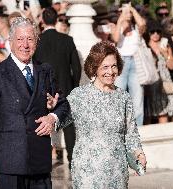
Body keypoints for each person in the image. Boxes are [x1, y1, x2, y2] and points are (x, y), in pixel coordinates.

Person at [0, 17, 70, 189]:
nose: (25, 44)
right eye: (19, 39)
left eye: (30, 39)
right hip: (8, 165)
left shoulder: (46, 71)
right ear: (10, 42)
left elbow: (63, 105)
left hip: (39, 163)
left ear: (36, 41)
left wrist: (53, 117)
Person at [61, 41, 146, 188]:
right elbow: (60, 121)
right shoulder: (79, 95)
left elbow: (131, 134)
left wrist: (139, 154)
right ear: (94, 68)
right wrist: (51, 108)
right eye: (105, 67)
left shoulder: (123, 97)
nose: (111, 71)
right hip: (87, 172)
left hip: (117, 171)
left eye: (114, 66)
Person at [33, 7, 81, 169]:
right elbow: (77, 67)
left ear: (42, 21)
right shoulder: (67, 40)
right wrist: (73, 86)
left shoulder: (36, 41)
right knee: (68, 125)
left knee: (43, 125)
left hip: (43, 90)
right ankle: (72, 160)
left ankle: (43, 161)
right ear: (56, 20)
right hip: (65, 89)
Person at [111, 1, 146, 126]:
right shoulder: (116, 27)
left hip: (136, 62)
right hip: (121, 63)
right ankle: (121, 128)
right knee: (119, 97)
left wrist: (132, 9)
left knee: (137, 98)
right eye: (123, 11)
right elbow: (115, 39)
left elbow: (142, 24)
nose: (127, 14)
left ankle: (138, 128)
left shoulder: (137, 29)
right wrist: (121, 18)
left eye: (128, 12)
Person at [144, 22, 173, 123]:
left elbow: (171, 66)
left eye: (158, 32)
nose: (155, 34)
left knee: (166, 113)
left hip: (165, 82)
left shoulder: (166, 46)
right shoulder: (145, 47)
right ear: (148, 33)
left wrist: (165, 54)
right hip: (151, 81)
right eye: (152, 32)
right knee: (149, 113)